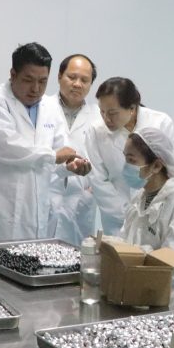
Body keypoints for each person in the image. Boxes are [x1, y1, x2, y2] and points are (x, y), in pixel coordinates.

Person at [0, 43, 90, 242]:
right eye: (28, 80)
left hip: (37, 208)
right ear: (13, 74)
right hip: (1, 207)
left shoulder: (49, 107)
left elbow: (57, 155)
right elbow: (7, 148)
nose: (36, 89)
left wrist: (70, 167)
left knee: (32, 256)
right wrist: (54, 156)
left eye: (43, 81)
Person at [85, 77, 174, 235]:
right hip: (116, 220)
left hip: (158, 214)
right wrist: (128, 213)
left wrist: (157, 209)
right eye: (102, 112)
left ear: (132, 108)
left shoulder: (160, 123)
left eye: (112, 113)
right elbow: (98, 180)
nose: (106, 119)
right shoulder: (96, 131)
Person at [120, 128, 174, 291]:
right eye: (125, 158)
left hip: (170, 297)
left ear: (156, 165)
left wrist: (135, 256)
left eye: (131, 160)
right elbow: (125, 242)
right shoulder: (139, 198)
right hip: (137, 288)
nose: (126, 166)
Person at [48, 54, 103, 244]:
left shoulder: (99, 116)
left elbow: (107, 160)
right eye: (72, 77)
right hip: (45, 193)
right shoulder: (43, 108)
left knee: (75, 254)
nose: (77, 84)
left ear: (91, 84)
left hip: (80, 199)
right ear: (59, 76)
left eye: (84, 80)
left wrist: (96, 185)